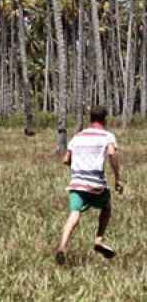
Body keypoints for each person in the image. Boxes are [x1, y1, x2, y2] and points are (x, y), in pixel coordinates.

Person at [55, 106, 122, 265]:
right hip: (96, 184)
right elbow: (112, 154)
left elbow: (66, 160)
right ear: (104, 119)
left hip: (77, 183)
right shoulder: (107, 136)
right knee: (106, 207)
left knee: (74, 214)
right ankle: (98, 240)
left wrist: (77, 164)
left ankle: (62, 246)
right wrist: (118, 178)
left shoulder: (77, 137)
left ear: (90, 119)